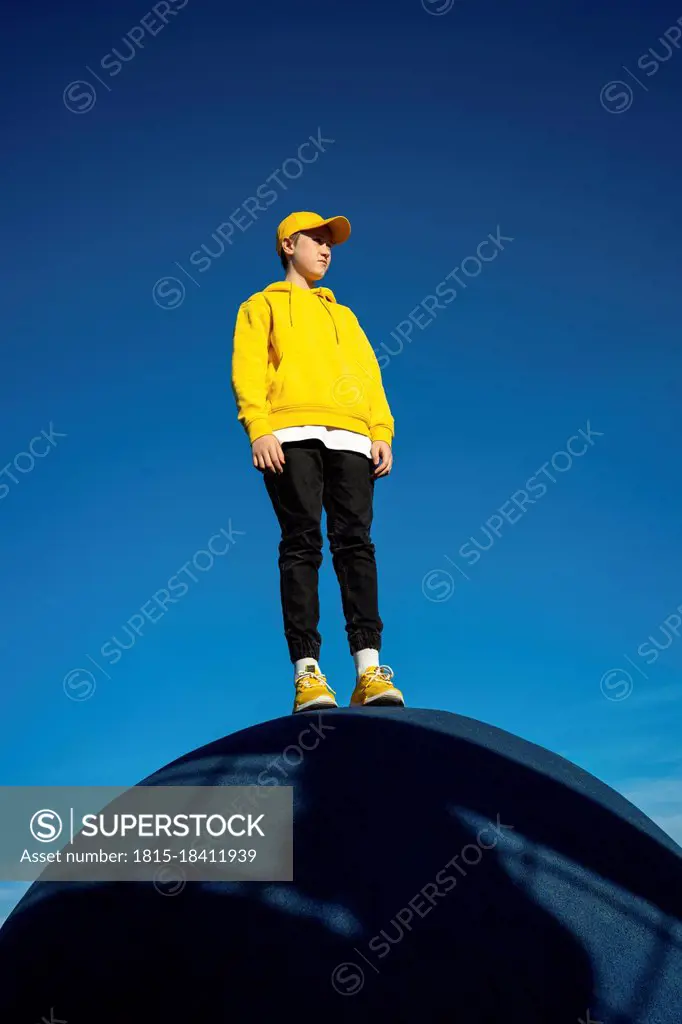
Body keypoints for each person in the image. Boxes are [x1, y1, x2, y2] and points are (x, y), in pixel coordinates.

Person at [230, 211, 405, 714]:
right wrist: (258, 427)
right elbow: (247, 370)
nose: (327, 249)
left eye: (332, 243)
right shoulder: (259, 305)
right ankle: (308, 675)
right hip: (288, 435)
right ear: (289, 245)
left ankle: (368, 671)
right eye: (318, 239)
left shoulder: (344, 316)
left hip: (352, 437)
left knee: (356, 544)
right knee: (301, 544)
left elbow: (370, 375)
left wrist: (381, 430)